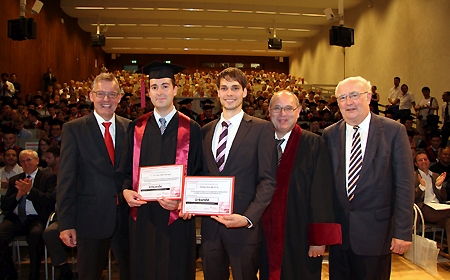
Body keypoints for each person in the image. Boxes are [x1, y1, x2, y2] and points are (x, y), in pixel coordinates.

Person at [119, 61, 205, 280]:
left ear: (175, 89)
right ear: (148, 92)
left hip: (175, 216)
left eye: (165, 86)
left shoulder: (191, 128)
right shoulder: (136, 127)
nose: (160, 92)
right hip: (142, 214)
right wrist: (126, 191)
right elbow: (124, 171)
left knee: (175, 268)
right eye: (154, 87)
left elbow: (198, 173)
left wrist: (182, 201)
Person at [322, 76, 414, 279]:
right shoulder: (329, 135)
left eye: (354, 95)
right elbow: (325, 187)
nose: (348, 102)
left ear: (369, 97)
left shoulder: (393, 131)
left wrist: (403, 231)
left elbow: (404, 185)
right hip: (340, 237)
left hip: (376, 234)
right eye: (342, 97)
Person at [201, 67, 277, 280]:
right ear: (217, 93)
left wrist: (247, 217)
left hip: (243, 226)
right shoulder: (206, 131)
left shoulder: (262, 129)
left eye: (235, 88)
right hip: (211, 227)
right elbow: (200, 175)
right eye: (224, 88)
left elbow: (268, 181)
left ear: (244, 92)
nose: (229, 93)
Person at [261, 90, 341, 280]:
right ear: (269, 112)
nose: (282, 114)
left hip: (300, 233)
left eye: (288, 108)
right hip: (265, 233)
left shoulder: (313, 144)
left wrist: (318, 239)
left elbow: (321, 194)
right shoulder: (259, 141)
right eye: (277, 108)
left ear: (299, 111)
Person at [57, 73, 131, 280]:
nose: (106, 99)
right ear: (91, 96)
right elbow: (66, 179)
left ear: (119, 97)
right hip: (90, 219)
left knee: (132, 273)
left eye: (111, 94)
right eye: (101, 94)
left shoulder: (131, 128)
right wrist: (65, 223)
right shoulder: (74, 129)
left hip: (127, 219)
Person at [0, 150, 57, 280]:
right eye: (23, 161)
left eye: (29, 160)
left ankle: (34, 276)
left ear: (37, 161)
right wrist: (19, 195)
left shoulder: (48, 177)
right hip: (16, 218)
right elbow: (5, 205)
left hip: (36, 218)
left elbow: (49, 200)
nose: (26, 163)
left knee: (36, 236)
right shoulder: (15, 179)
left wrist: (30, 191)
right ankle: (10, 273)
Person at [413, 151, 450, 253]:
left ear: (429, 161)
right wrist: (421, 187)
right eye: (420, 160)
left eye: (425, 159)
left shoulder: (435, 176)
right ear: (416, 164)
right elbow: (411, 198)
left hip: (438, 208)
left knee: (449, 222)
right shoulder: (413, 176)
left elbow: (444, 197)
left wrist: (438, 186)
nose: (424, 162)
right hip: (424, 209)